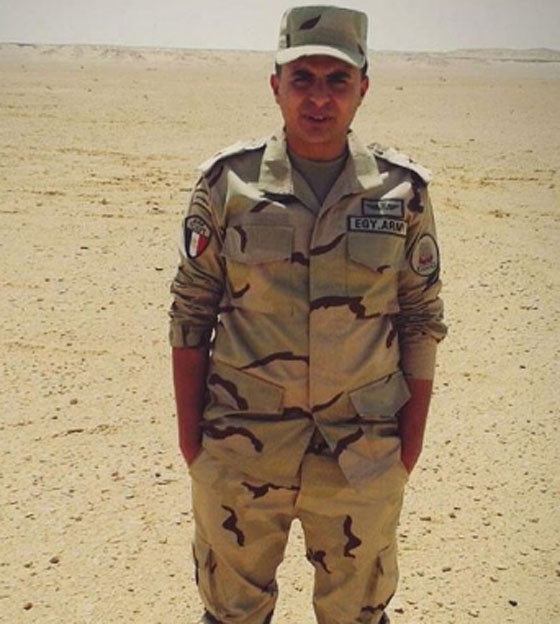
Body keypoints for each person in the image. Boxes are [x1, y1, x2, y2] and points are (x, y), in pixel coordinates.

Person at [169, 6, 446, 624]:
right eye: (302, 79)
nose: (319, 97)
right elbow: (191, 310)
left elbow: (420, 318)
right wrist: (194, 445)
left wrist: (408, 449)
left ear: (362, 88)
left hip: (362, 454)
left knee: (357, 616)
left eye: (337, 80)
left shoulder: (400, 192)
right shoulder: (228, 186)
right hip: (242, 450)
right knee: (233, 615)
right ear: (276, 85)